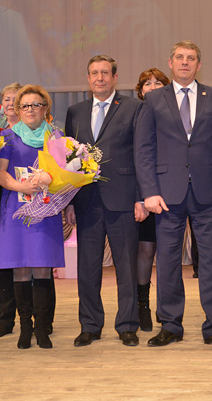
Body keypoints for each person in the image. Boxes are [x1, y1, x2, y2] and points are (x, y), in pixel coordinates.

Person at [134, 40, 212, 348]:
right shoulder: (154, 99)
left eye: (191, 58)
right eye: (179, 57)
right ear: (171, 62)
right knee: (167, 261)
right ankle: (170, 325)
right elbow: (143, 149)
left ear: (198, 65)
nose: (185, 62)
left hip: (208, 191)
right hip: (166, 194)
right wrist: (149, 192)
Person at [64, 55, 145, 347]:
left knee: (127, 267)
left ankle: (127, 325)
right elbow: (67, 159)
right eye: (94, 73)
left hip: (124, 198)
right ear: (88, 78)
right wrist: (68, 201)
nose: (100, 78)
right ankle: (90, 325)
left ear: (114, 77)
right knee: (87, 268)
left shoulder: (134, 107)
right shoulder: (75, 111)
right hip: (86, 200)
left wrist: (141, 198)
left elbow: (141, 154)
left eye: (105, 73)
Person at [0, 84, 64, 349]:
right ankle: (25, 327)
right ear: (18, 110)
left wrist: (51, 181)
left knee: (43, 266)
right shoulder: (7, 137)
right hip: (16, 208)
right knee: (21, 268)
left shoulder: (56, 137)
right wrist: (20, 186)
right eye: (24, 106)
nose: (30, 109)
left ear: (45, 108)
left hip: (46, 209)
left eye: (36, 105)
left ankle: (42, 328)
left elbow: (65, 172)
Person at [133, 68, 170, 332]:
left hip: (169, 192)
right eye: (147, 83)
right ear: (140, 90)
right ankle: (142, 305)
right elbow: (135, 157)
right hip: (142, 194)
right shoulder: (134, 113)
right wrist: (140, 197)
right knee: (145, 251)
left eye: (158, 83)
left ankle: (165, 307)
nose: (153, 87)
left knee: (167, 253)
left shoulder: (172, 113)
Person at [0, 83, 21, 339]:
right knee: (3, 261)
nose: (11, 103)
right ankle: (4, 318)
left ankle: (37, 316)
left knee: (31, 260)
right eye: (7, 99)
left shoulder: (36, 131)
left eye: (16, 99)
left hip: (26, 200)